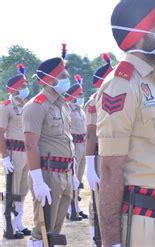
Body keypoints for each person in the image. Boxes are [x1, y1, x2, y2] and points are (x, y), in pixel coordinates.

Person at [96, 0, 155, 246]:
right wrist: (112, 241)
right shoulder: (122, 83)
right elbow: (110, 169)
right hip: (142, 222)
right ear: (141, 32)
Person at [23, 52, 74, 246]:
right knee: (42, 230)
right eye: (62, 76)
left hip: (65, 172)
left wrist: (73, 174)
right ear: (50, 80)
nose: (67, 80)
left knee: (55, 230)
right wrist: (37, 180)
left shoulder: (63, 105)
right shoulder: (35, 106)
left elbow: (66, 140)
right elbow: (30, 144)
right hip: (48, 173)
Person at [84, 52, 113, 244]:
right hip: (100, 156)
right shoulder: (94, 101)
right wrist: (89, 165)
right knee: (98, 202)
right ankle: (96, 239)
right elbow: (91, 135)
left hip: (115, 154)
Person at [0, 64, 32, 239]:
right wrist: (5, 157)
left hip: (26, 152)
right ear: (13, 89)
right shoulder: (5, 106)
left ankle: (19, 223)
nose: (25, 88)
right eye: (22, 86)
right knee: (11, 191)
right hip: (13, 152)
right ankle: (9, 226)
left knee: (22, 190)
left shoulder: (27, 105)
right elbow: (0, 132)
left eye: (26, 85)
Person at [64, 77, 88, 221]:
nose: (81, 97)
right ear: (72, 96)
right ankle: (70, 209)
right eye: (79, 95)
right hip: (73, 146)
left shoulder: (81, 110)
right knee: (71, 178)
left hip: (82, 145)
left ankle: (77, 208)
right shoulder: (66, 109)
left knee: (78, 179)